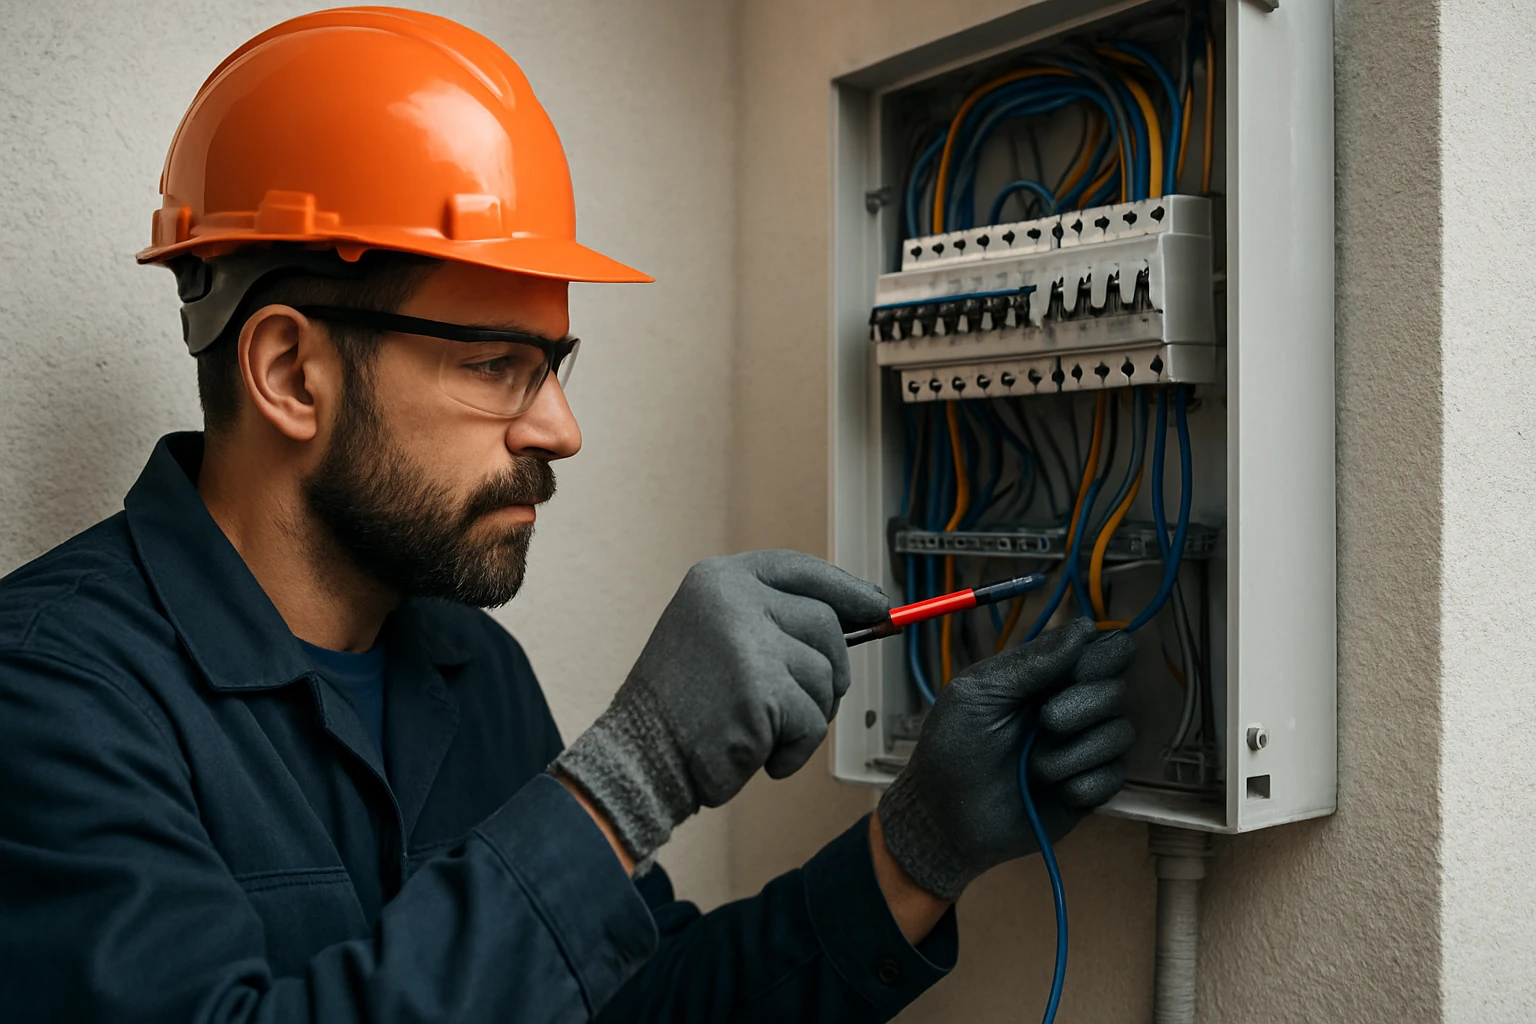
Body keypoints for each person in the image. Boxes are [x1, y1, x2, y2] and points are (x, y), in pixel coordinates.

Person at [0, 9, 1135, 1022]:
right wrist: (627, 777)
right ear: (292, 372)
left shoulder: (466, 668)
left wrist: (915, 851)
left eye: (553, 363)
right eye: (496, 363)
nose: (559, 429)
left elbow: (632, 1004)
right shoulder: (51, 698)